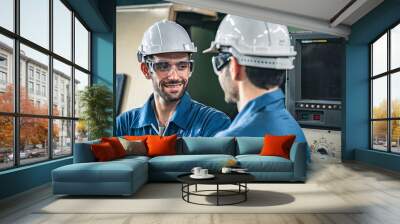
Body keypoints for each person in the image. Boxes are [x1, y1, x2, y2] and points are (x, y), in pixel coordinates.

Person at [204, 15, 309, 158]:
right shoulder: (294, 130)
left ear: (235, 66)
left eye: (218, 63)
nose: (219, 74)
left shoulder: (228, 144)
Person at [116, 20, 231, 137]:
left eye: (182, 66)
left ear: (190, 68)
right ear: (146, 70)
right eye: (163, 66)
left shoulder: (213, 123)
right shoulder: (123, 125)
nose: (174, 76)